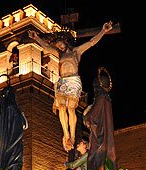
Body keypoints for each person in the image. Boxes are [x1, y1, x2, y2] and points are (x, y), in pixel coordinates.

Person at [28, 22, 113, 151]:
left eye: (60, 45)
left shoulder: (76, 51)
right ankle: (66, 135)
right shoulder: (59, 53)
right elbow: (46, 46)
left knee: (71, 108)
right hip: (62, 81)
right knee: (61, 106)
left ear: (65, 42)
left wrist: (103, 31)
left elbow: (91, 42)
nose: (59, 47)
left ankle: (72, 136)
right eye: (57, 46)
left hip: (73, 80)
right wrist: (36, 38)